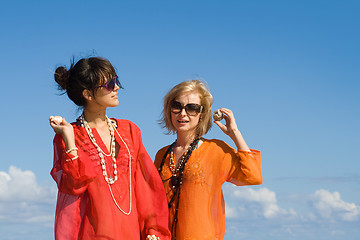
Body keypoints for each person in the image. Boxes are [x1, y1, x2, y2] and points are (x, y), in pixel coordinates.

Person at [49, 57, 171, 240]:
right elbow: (72, 186)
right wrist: (69, 139)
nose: (116, 88)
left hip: (131, 233)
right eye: (109, 84)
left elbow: (147, 185)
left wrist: (154, 230)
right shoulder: (70, 136)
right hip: (92, 234)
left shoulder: (129, 130)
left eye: (115, 81)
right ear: (88, 95)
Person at [154, 80, 262, 240]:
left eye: (191, 108)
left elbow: (253, 176)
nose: (182, 113)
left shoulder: (216, 150)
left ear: (202, 114)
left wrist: (235, 133)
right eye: (177, 106)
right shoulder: (161, 155)